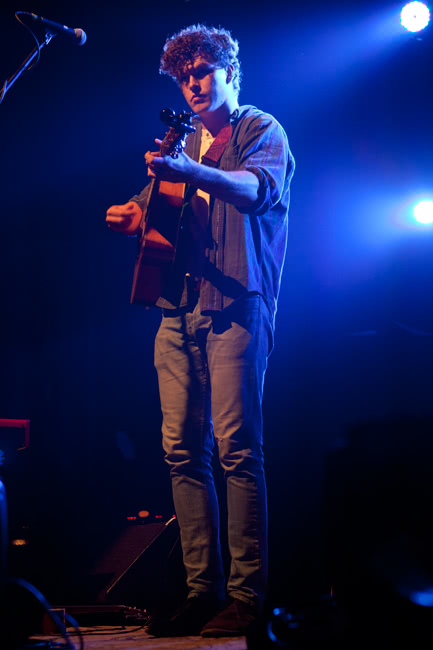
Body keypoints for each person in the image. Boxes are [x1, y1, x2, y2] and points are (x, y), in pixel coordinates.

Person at [106, 24, 295, 637]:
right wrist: (129, 215)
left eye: (202, 72)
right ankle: (200, 592)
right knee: (183, 452)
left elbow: (255, 190)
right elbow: (150, 209)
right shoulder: (181, 141)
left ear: (228, 72)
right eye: (183, 77)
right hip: (177, 310)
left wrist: (192, 171)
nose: (192, 85)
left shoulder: (259, 130)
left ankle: (247, 596)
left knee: (238, 450)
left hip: (236, 304)